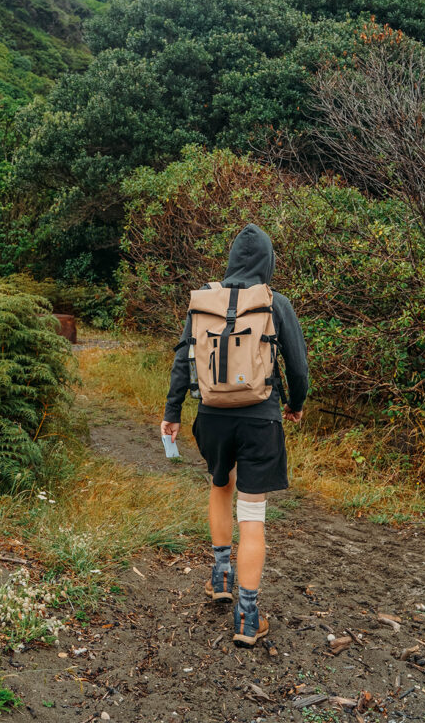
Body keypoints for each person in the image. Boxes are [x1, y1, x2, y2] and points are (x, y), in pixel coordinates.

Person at [160, 224, 308, 647]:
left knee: (219, 485)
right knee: (254, 516)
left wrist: (172, 412)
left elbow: (182, 361)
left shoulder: (203, 302)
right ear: (268, 262)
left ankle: (220, 577)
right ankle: (247, 618)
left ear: (230, 261)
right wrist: (296, 404)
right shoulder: (274, 303)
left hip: (212, 417)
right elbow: (297, 368)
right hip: (261, 418)